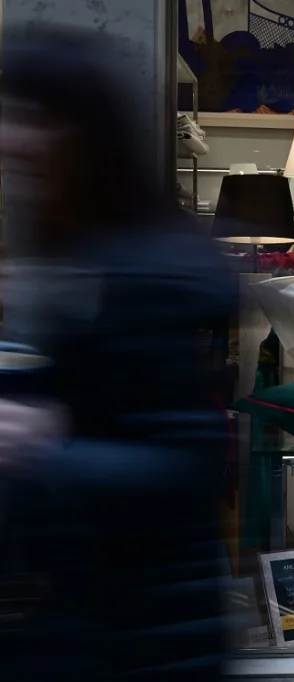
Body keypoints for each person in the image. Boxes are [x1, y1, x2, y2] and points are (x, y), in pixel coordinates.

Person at [0, 24, 235, 681]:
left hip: (142, 638)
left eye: (33, 117)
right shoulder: (62, 261)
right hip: (84, 623)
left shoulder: (145, 274)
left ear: (85, 134)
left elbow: (188, 466)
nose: (11, 138)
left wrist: (39, 448)